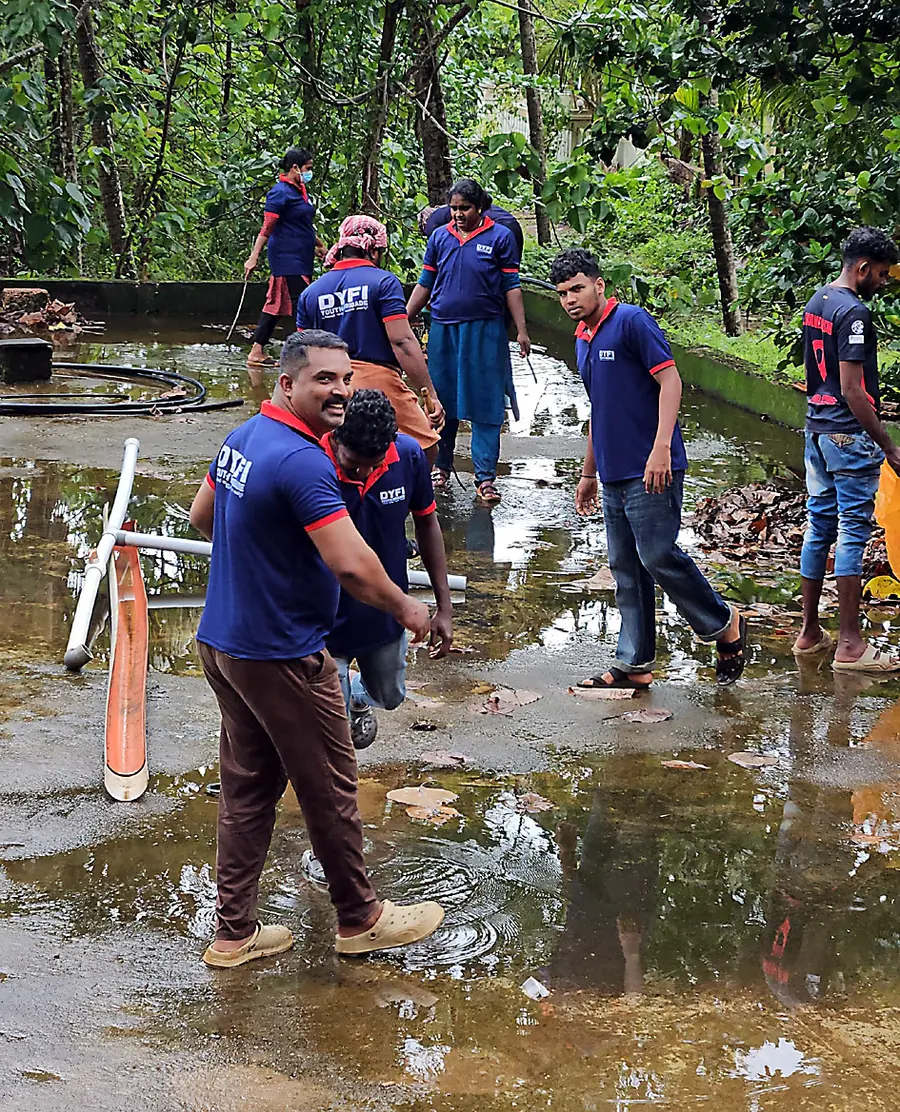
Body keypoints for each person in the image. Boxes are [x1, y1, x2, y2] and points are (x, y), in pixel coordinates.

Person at [189, 329, 444, 967]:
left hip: (224, 641)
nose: (337, 391)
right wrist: (413, 609)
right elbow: (354, 566)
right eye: (322, 380)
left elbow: (202, 518)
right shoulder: (304, 460)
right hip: (279, 651)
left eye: (344, 378)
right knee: (331, 783)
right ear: (287, 383)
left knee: (248, 787)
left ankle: (234, 933)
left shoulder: (243, 440)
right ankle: (361, 918)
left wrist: (268, 552)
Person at [550, 247, 746, 688]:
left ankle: (723, 621)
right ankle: (634, 664)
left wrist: (661, 448)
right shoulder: (584, 338)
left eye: (577, 289)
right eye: (563, 293)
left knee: (657, 554)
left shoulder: (631, 322)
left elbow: (670, 380)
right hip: (614, 471)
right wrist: (586, 474)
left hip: (653, 466)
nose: (570, 300)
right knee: (625, 566)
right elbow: (599, 410)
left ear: (599, 285)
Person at [793, 226, 900, 671]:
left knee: (820, 526)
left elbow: (818, 378)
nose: (883, 282)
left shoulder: (818, 300)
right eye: (880, 274)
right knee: (852, 532)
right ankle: (851, 645)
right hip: (847, 435)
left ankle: (809, 631)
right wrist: (888, 445)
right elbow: (853, 390)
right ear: (861, 268)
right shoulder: (854, 314)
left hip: (816, 431)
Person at [322, 388, 453, 748]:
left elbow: (427, 524)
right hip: (324, 618)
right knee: (335, 733)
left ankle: (359, 696)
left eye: (373, 463)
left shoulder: (408, 456)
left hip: (385, 613)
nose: (363, 472)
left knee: (391, 696)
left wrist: (444, 605)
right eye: (353, 463)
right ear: (336, 439)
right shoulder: (313, 463)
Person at [407, 179, 531, 504]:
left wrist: (521, 329)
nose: (458, 215)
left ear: (480, 208)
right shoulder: (439, 237)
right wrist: (402, 318)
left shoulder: (500, 237)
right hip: (444, 330)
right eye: (454, 209)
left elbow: (511, 286)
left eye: (465, 209)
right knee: (440, 402)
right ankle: (441, 468)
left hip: (485, 331)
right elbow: (425, 283)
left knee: (485, 403)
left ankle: (486, 478)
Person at [296, 214, 444, 461]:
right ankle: (407, 497)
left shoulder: (311, 294)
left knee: (326, 449)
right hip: (379, 378)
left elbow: (301, 353)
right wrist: (430, 393)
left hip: (327, 381)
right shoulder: (384, 282)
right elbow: (402, 342)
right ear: (374, 251)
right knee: (426, 448)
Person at [244, 147, 327, 369]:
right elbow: (267, 228)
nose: (310, 173)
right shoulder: (280, 193)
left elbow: (303, 224)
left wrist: (318, 245)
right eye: (308, 168)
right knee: (305, 300)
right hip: (286, 257)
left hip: (301, 254)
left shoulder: (299, 190)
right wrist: (254, 257)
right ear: (295, 168)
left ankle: (257, 350)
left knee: (277, 304)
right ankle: (309, 351)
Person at [420, 201, 524, 262]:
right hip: (513, 225)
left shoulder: (431, 223)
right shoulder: (454, 209)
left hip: (497, 227)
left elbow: (438, 258)